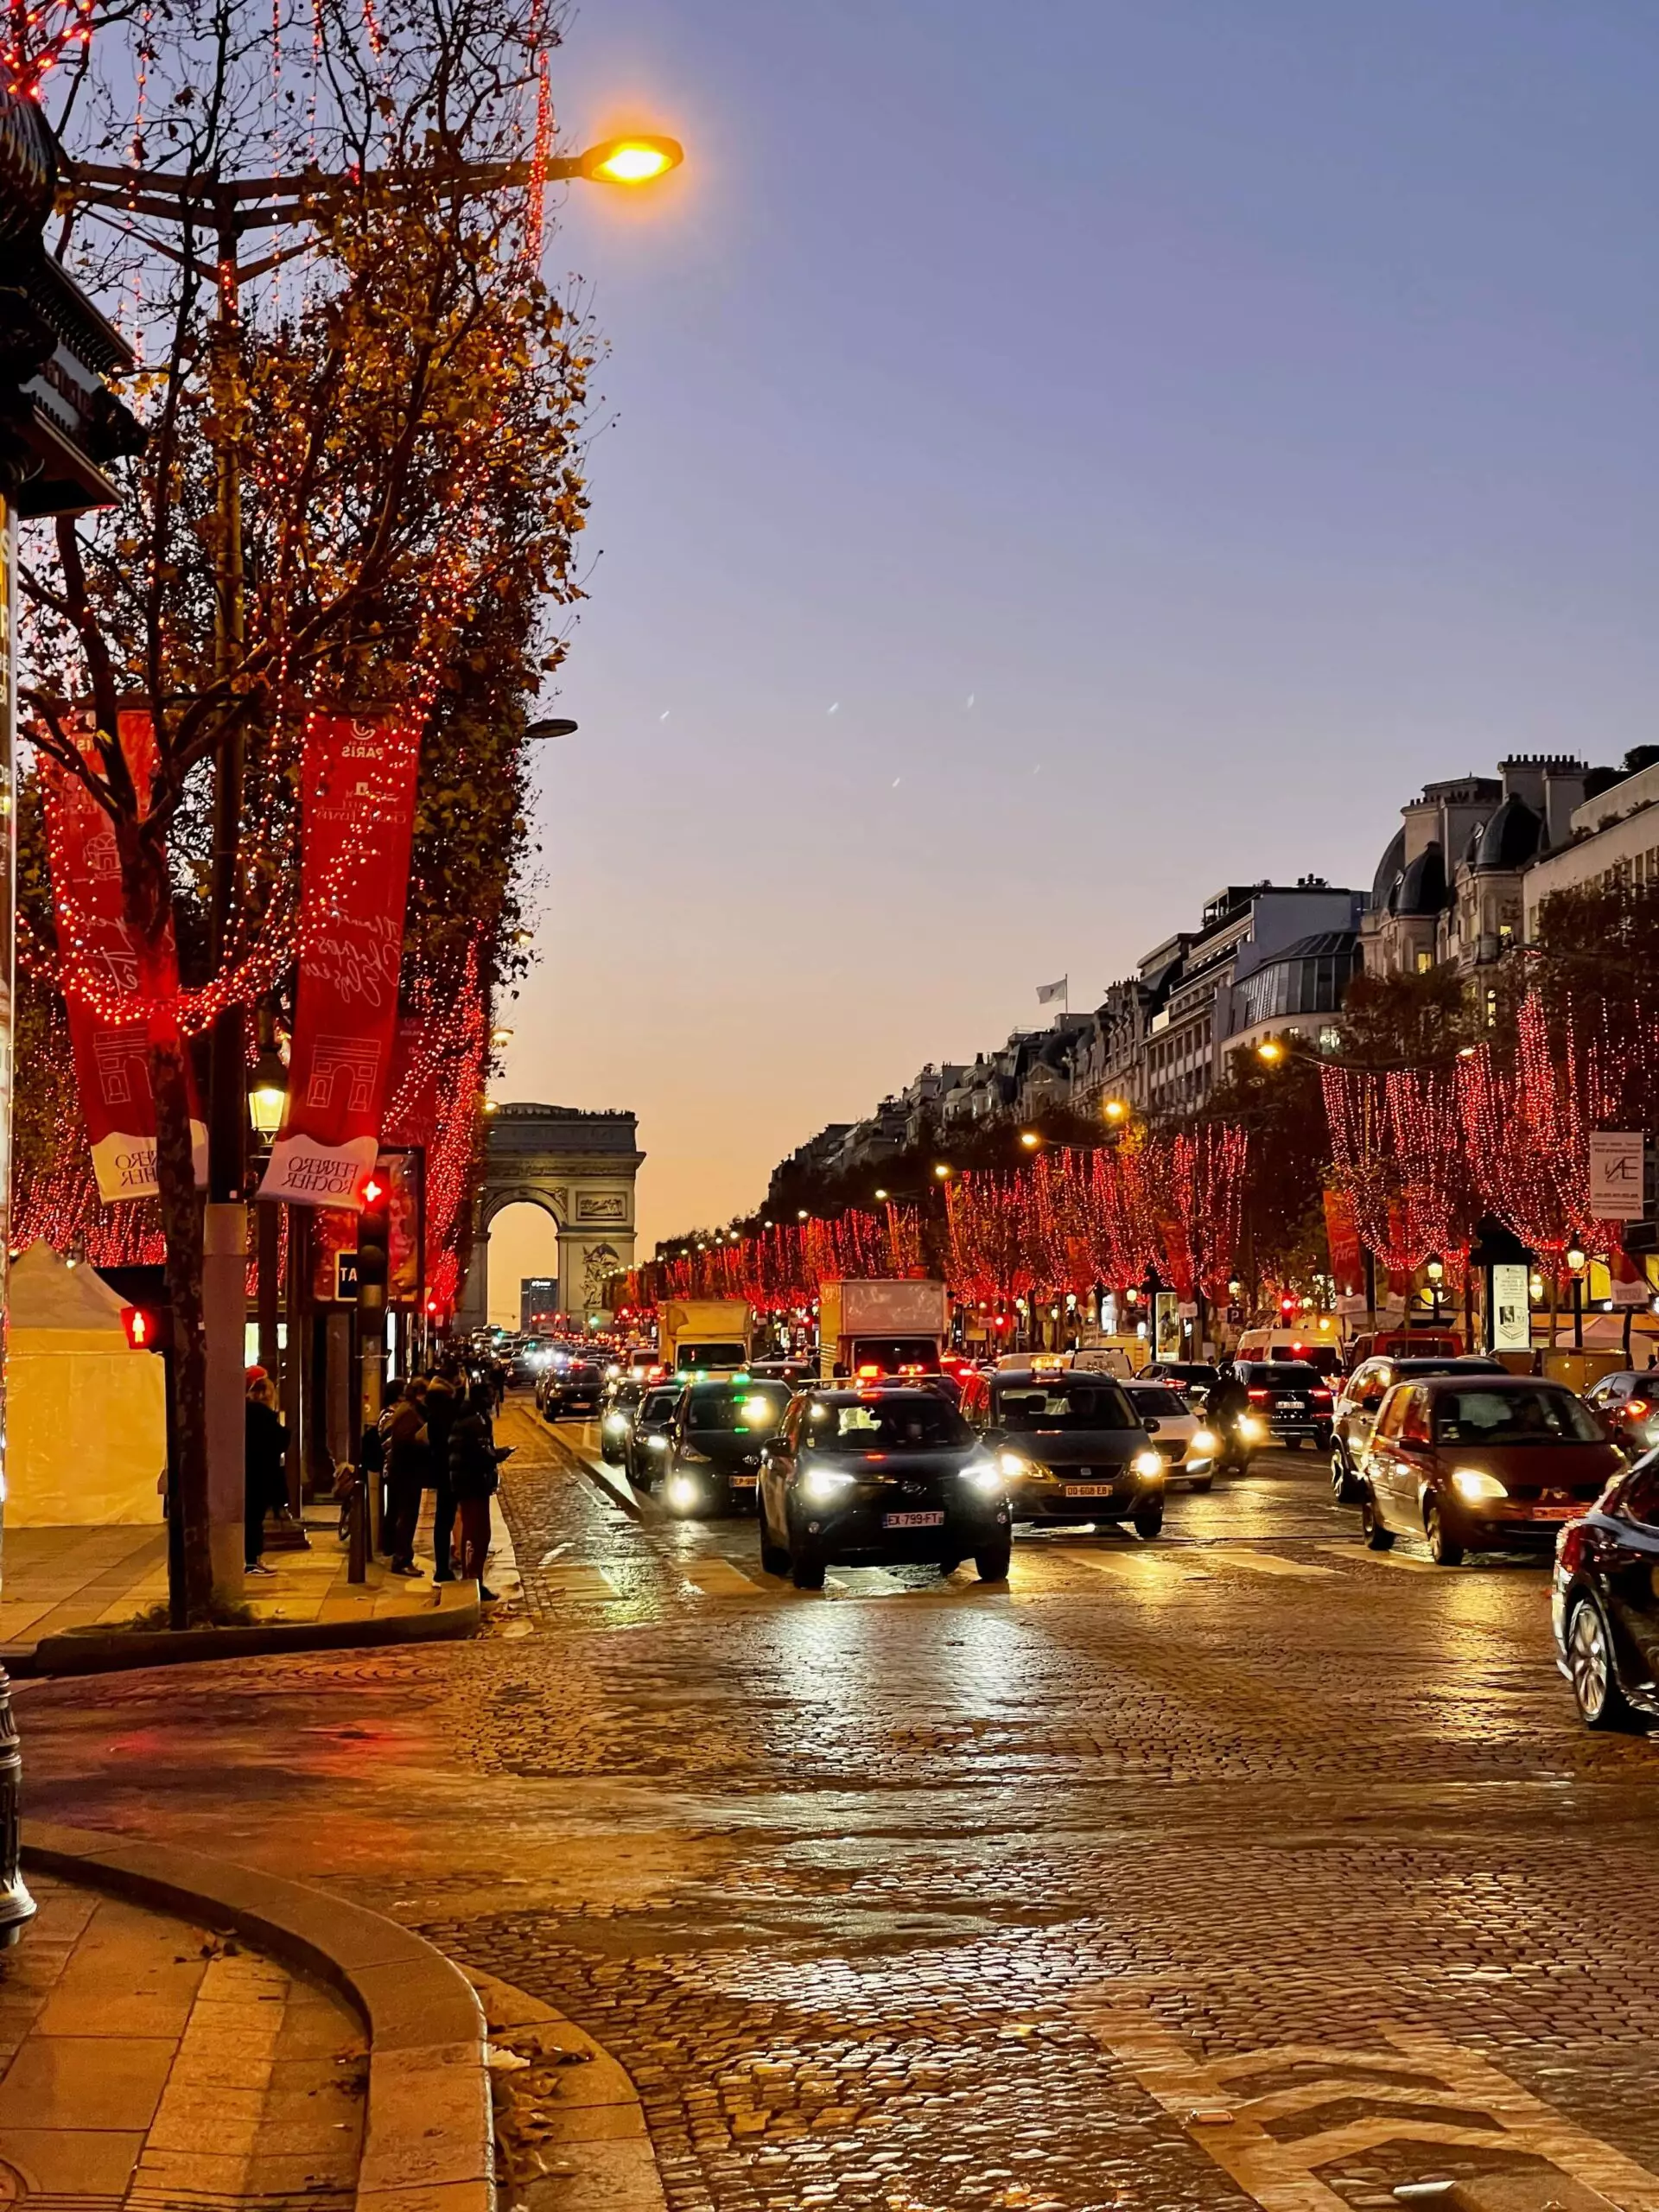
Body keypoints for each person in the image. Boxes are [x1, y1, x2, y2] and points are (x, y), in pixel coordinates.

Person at [449, 1380, 512, 1601]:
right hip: (472, 1483)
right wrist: (500, 1454)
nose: (494, 1398)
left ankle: (474, 1578)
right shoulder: (477, 1421)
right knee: (477, 1534)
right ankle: (473, 1579)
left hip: (471, 1482)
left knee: (476, 1533)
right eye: (491, 1394)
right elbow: (482, 1453)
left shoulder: (469, 1418)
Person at [381, 1378, 430, 1576]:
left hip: (404, 1471)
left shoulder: (408, 1410)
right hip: (406, 1472)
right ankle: (402, 1558)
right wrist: (423, 1443)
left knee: (402, 1514)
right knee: (407, 1516)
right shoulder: (409, 1412)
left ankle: (399, 1554)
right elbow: (405, 1442)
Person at [245, 1376, 288, 1575]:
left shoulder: (243, 1411)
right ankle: (253, 1560)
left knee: (250, 1516)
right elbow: (279, 1441)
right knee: (255, 1517)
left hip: (246, 1471)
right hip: (259, 1473)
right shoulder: (264, 1415)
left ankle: (251, 1559)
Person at [423, 1373, 461, 1581]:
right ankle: (442, 1568)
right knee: (445, 1519)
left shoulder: (433, 1413)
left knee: (443, 1520)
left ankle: (442, 1565)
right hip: (448, 1472)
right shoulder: (444, 1416)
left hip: (440, 1471)